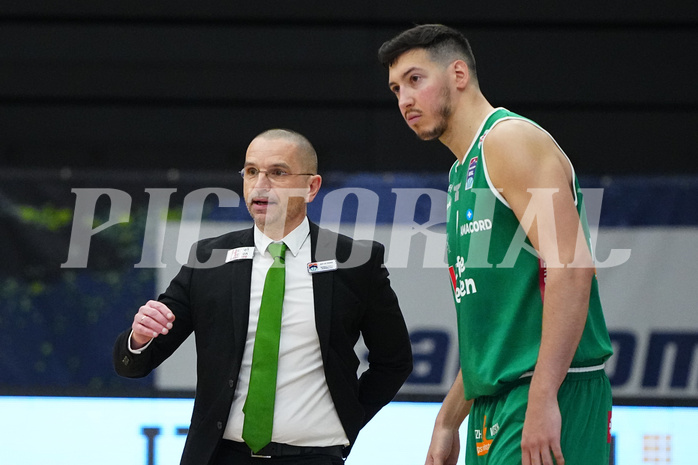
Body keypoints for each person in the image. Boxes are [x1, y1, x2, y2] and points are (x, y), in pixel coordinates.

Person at [378, 25, 613, 465]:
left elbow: (572, 269)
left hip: (550, 389)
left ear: (459, 74)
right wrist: (449, 420)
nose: (404, 100)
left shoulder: (508, 141)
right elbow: (497, 327)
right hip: (497, 399)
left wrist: (544, 397)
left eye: (415, 80)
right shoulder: (460, 172)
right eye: (395, 89)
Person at [113, 129, 413, 465]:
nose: (260, 185)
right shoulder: (209, 257)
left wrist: (347, 418)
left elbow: (394, 361)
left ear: (311, 187)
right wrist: (139, 338)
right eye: (251, 171)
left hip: (313, 459)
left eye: (278, 173)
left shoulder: (354, 261)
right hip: (221, 456)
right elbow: (135, 363)